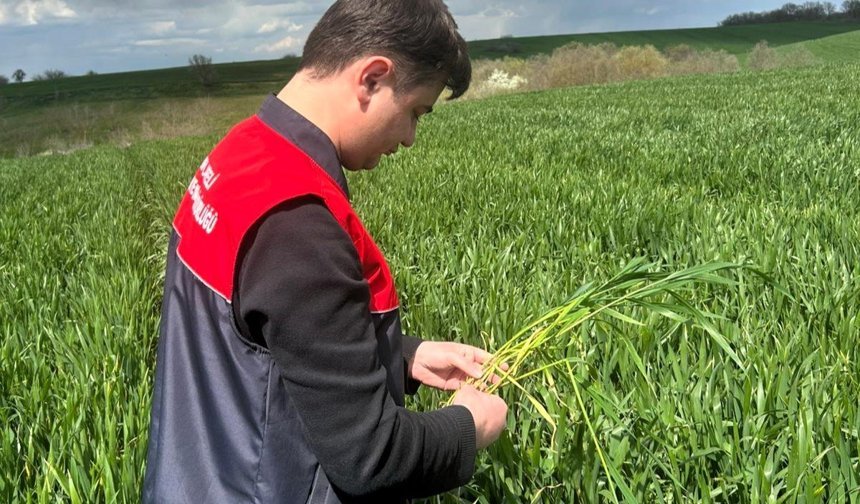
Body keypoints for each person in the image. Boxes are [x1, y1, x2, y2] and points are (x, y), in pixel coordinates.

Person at [142, 0, 509, 502]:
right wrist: (470, 426)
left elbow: (266, 338)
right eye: (415, 113)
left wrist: (403, 356)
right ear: (373, 77)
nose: (410, 139)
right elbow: (372, 458)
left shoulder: (242, 154)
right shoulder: (298, 223)